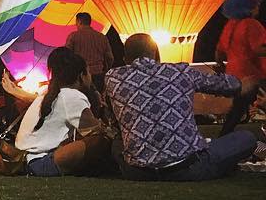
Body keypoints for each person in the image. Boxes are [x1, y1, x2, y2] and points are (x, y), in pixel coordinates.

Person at [106, 33, 258, 181]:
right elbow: (225, 85)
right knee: (247, 138)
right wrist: (242, 83)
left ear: (125, 59)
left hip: (138, 172)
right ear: (157, 55)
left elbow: (116, 124)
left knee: (116, 143)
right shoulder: (180, 71)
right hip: (188, 168)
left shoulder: (112, 78)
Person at [14, 48, 110, 177]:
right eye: (88, 72)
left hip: (23, 160)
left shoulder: (48, 95)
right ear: (81, 75)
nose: (90, 76)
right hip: (42, 163)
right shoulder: (72, 96)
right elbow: (94, 130)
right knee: (99, 140)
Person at [216, 0, 266, 136]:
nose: (258, 6)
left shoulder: (230, 25)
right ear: (249, 6)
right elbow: (258, 49)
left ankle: (222, 140)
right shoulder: (251, 25)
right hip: (253, 76)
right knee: (239, 110)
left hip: (235, 77)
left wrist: (220, 66)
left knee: (236, 112)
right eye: (256, 4)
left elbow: (219, 51)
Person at [64, 12, 113, 92]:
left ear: (79, 22)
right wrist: (106, 70)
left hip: (80, 76)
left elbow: (66, 56)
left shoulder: (73, 36)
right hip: (98, 75)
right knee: (97, 100)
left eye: (76, 23)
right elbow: (110, 58)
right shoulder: (101, 37)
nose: (76, 25)